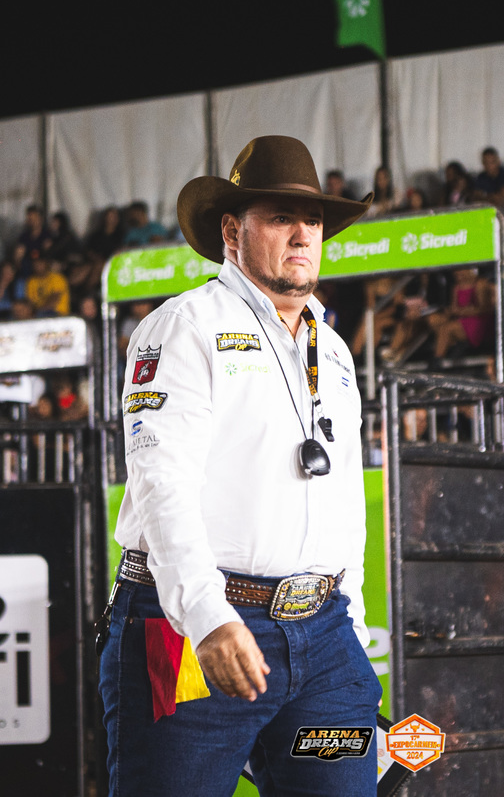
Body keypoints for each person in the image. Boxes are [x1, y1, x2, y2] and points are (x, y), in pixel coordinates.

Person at [98, 135, 380, 797]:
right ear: (232, 231)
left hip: (324, 635)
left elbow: (343, 494)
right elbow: (161, 482)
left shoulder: (335, 349)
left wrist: (354, 624)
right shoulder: (183, 325)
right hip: (188, 627)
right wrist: (207, 614)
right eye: (281, 217)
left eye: (313, 220)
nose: (303, 235)